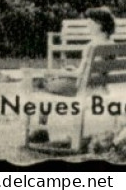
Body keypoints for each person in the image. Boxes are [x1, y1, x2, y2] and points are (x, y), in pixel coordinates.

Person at [27, 8, 115, 145]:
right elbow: (91, 71)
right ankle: (41, 131)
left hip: (81, 88)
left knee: (39, 84)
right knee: (53, 81)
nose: (88, 25)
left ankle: (41, 130)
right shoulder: (111, 45)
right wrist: (72, 70)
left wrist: (62, 72)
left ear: (99, 24)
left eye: (90, 22)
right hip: (98, 87)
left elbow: (79, 74)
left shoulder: (92, 46)